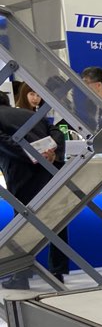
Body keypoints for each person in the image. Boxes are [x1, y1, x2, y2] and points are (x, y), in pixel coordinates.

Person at [0, 100, 64, 287]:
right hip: (50, 170)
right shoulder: (31, 114)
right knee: (57, 221)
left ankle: (21, 276)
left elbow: (4, 142)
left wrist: (32, 155)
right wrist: (50, 152)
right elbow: (56, 132)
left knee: (22, 224)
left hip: (20, 173)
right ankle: (58, 272)